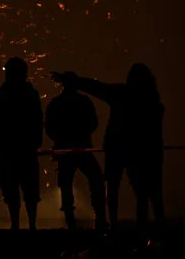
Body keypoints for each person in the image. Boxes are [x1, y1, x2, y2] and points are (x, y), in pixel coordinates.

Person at [52, 64, 165, 229]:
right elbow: (155, 131)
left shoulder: (121, 93)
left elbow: (96, 87)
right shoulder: (151, 99)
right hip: (138, 150)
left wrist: (71, 81)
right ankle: (144, 227)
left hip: (117, 148)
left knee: (115, 188)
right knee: (141, 191)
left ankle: (114, 224)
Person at [45, 77, 106, 230]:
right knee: (96, 180)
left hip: (64, 149)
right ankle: (99, 216)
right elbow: (93, 123)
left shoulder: (56, 103)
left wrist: (61, 139)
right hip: (83, 147)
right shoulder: (84, 101)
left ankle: (70, 220)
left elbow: (49, 126)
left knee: (65, 184)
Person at [0, 57, 43, 230]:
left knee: (11, 188)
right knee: (29, 188)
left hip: (8, 149)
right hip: (27, 148)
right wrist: (36, 141)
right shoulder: (30, 93)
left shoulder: (2, 93)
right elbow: (38, 119)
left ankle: (15, 224)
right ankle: (31, 224)